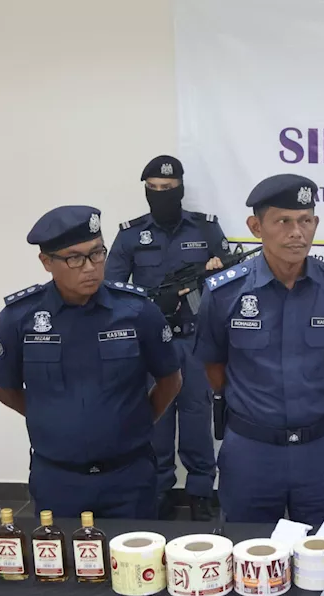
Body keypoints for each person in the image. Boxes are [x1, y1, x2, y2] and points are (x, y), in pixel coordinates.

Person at [196, 174, 324, 527]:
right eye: (283, 221)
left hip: (321, 449)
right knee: (248, 555)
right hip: (251, 450)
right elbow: (214, 367)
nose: (297, 232)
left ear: (316, 223)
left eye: (306, 220)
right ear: (256, 227)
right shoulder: (225, 293)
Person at [0, 205, 182, 519]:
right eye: (75, 258)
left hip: (129, 477)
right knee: (60, 566)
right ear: (46, 262)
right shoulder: (19, 319)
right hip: (58, 479)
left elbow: (170, 380)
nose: (90, 267)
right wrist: (51, 416)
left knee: (135, 565)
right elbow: (5, 389)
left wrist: (134, 421)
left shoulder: (136, 311)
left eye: (97, 254)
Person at [106, 154, 229, 520]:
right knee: (155, 419)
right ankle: (158, 489)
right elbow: (111, 289)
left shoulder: (205, 230)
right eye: (154, 189)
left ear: (181, 189)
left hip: (194, 339)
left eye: (168, 188)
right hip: (151, 342)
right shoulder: (131, 234)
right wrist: (151, 301)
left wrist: (214, 272)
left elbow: (229, 280)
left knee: (196, 417)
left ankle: (201, 491)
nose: (161, 194)